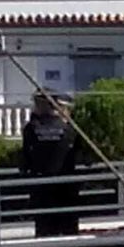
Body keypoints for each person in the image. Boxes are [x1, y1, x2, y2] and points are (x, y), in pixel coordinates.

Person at [21, 93, 81, 238]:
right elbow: (81, 156)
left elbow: (24, 161)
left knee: (44, 233)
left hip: (42, 189)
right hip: (66, 189)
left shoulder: (31, 129)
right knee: (69, 233)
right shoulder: (70, 129)